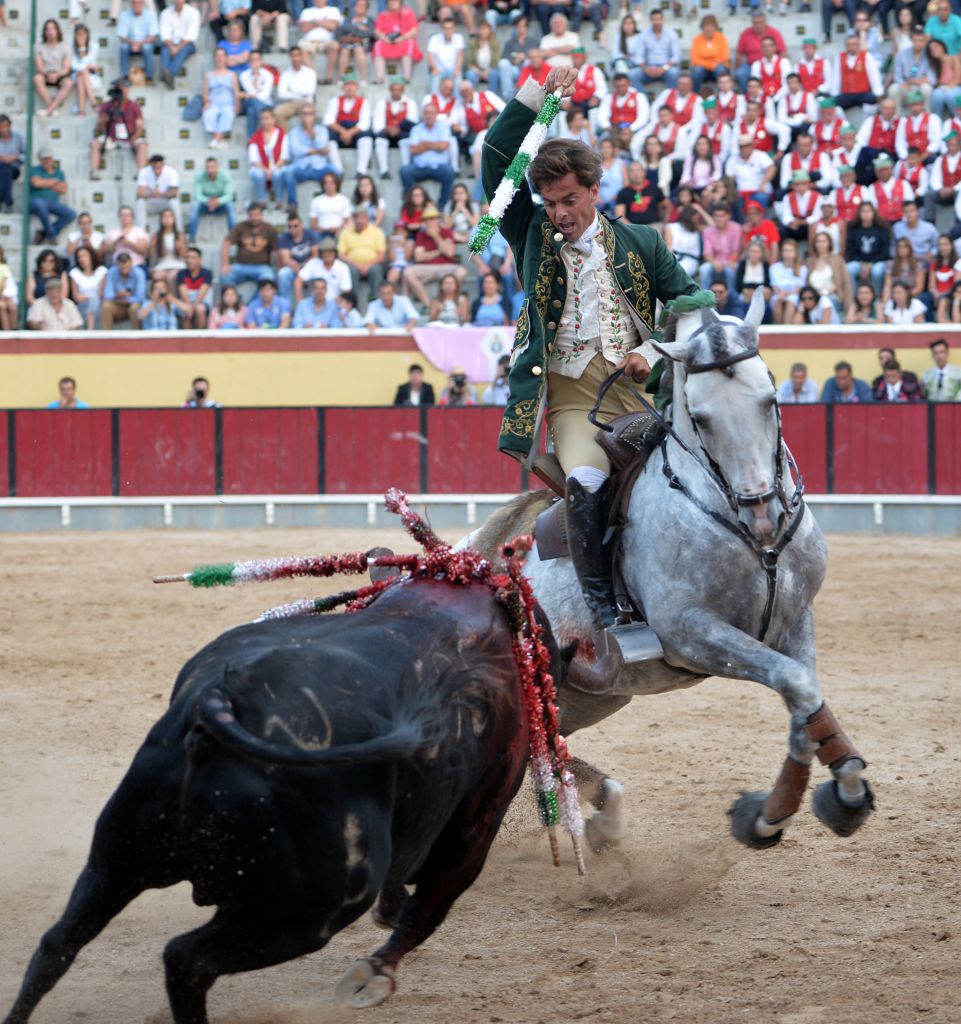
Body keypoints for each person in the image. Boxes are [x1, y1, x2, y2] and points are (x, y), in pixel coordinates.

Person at [482, 64, 704, 655]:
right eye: (550, 201)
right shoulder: (529, 234)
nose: (559, 212)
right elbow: (495, 152)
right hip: (575, 398)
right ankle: (610, 611)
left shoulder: (642, 242)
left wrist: (653, 347)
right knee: (585, 477)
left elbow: (691, 300)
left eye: (570, 199)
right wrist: (537, 94)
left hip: (638, 392)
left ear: (594, 192)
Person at [401, 207, 465, 308]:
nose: (430, 222)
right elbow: (419, 257)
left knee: (461, 272)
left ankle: (447, 303)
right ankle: (430, 306)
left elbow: (450, 253)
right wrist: (440, 251)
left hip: (446, 266)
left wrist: (436, 236)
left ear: (437, 220)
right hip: (427, 267)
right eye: (427, 220)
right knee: (407, 272)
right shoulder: (421, 234)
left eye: (432, 219)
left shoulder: (446, 231)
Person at [90, 78, 148, 179]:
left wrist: (134, 138)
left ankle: (141, 173)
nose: (122, 91)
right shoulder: (107, 106)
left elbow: (140, 126)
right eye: (120, 88)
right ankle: (94, 171)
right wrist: (103, 121)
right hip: (111, 137)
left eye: (124, 88)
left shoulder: (134, 106)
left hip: (129, 137)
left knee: (142, 145)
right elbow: (99, 128)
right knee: (95, 144)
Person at [401, 103, 456, 209]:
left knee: (449, 171)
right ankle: (415, 204)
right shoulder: (416, 129)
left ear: (436, 114)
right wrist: (434, 145)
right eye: (426, 113)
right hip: (420, 167)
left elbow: (443, 146)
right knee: (405, 171)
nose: (429, 115)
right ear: (423, 115)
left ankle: (441, 206)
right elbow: (413, 149)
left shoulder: (443, 128)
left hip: (439, 167)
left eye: (431, 112)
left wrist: (424, 144)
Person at [220, 200, 278, 291]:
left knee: (268, 279)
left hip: (262, 267)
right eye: (251, 215)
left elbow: (276, 251)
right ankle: (235, 301)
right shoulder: (240, 227)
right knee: (224, 275)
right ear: (248, 215)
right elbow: (226, 243)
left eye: (257, 215)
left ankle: (252, 304)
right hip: (241, 266)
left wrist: (276, 267)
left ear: (261, 215)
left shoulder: (269, 229)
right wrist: (225, 264)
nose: (254, 218)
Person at [337, 206, 386, 311]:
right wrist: (357, 265)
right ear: (353, 219)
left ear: (367, 218)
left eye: (362, 217)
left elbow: (382, 255)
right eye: (357, 218)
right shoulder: (345, 232)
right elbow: (341, 255)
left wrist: (368, 265)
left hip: (372, 265)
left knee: (376, 270)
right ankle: (352, 307)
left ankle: (377, 305)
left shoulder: (376, 231)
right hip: (353, 265)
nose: (360, 221)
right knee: (350, 271)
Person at [288, 104, 338, 203]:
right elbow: (295, 151)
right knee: (288, 171)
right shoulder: (294, 132)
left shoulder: (322, 130)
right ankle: (292, 202)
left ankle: (333, 199)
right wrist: (317, 151)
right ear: (300, 116)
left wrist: (313, 135)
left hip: (319, 167)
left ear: (314, 115)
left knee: (335, 170)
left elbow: (324, 148)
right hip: (301, 167)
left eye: (310, 114)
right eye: (304, 114)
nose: (307, 117)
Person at [29, 147, 76, 245]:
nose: (47, 161)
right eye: (44, 158)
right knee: (39, 205)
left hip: (52, 203)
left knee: (71, 214)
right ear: (40, 160)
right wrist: (55, 182)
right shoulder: (34, 169)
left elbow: (63, 190)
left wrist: (44, 183)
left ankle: (43, 233)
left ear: (52, 159)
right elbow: (36, 183)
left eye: (48, 158)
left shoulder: (59, 172)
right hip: (36, 201)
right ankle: (51, 236)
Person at [371, 0, 420, 85]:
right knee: (377, 45)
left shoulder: (408, 13)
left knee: (409, 44)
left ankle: (407, 77)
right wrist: (384, 38)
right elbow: (377, 31)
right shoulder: (383, 15)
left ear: (400, 3)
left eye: (395, 1)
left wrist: (402, 38)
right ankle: (380, 78)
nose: (393, 3)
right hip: (387, 41)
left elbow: (414, 30)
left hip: (403, 40)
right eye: (390, 2)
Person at [188, 157, 236, 242]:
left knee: (231, 205)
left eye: (212, 166)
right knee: (195, 205)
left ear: (217, 167)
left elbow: (229, 195)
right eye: (208, 167)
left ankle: (233, 238)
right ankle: (192, 237)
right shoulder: (199, 176)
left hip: (221, 206)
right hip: (206, 206)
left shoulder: (225, 176)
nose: (210, 169)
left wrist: (218, 201)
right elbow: (198, 195)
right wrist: (208, 201)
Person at [34, 18, 74, 117]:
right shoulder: (38, 46)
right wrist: (47, 74)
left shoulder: (65, 46)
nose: (50, 32)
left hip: (60, 74)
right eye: (47, 29)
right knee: (37, 78)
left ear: (57, 31)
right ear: (44, 32)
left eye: (53, 29)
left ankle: (49, 110)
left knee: (69, 82)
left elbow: (66, 69)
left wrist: (57, 75)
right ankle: (51, 107)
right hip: (45, 73)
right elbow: (39, 67)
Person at [202, 46, 240, 149]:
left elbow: (236, 91)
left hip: (228, 103)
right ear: (214, 58)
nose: (220, 59)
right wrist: (206, 102)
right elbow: (205, 91)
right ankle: (220, 139)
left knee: (228, 114)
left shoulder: (232, 74)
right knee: (208, 114)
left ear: (226, 58)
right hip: (213, 102)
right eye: (217, 56)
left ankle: (215, 139)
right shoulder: (209, 75)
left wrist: (237, 104)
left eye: (222, 56)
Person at [295, 236, 351, 302]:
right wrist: (300, 302)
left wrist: (333, 305)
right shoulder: (313, 263)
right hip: (314, 304)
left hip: (335, 305)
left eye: (330, 251)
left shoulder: (343, 267)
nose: (327, 254)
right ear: (320, 253)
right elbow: (298, 281)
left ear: (335, 253)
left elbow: (346, 291)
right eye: (324, 251)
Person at [135, 153, 182, 232]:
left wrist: (161, 194)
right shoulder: (144, 172)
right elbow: (140, 193)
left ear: (163, 165)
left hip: (165, 202)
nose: (156, 169)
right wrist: (150, 194)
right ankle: (141, 233)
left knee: (175, 202)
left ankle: (179, 232)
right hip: (151, 201)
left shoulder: (171, 172)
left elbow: (174, 193)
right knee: (140, 203)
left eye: (159, 167)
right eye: (154, 167)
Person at [272, 46, 317, 128]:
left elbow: (310, 91)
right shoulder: (285, 74)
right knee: (276, 113)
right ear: (290, 57)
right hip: (290, 103)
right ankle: (288, 137)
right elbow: (281, 94)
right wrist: (299, 94)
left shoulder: (310, 73)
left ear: (301, 57)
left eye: (297, 55)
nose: (295, 58)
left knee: (307, 114)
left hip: (306, 102)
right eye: (293, 55)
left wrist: (292, 90)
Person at [636, 8, 680, 91]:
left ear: (663, 19)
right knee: (632, 75)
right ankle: (643, 101)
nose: (656, 22)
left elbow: (676, 57)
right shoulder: (643, 35)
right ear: (650, 20)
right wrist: (646, 69)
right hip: (649, 68)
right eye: (654, 19)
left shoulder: (671, 34)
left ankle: (670, 101)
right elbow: (638, 57)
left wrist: (663, 68)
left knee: (674, 73)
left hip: (666, 68)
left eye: (658, 19)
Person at [159, 0, 199, 89]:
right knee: (165, 49)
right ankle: (168, 75)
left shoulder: (193, 12)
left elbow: (191, 36)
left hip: (188, 44)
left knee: (183, 50)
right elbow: (164, 35)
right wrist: (172, 46)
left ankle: (168, 74)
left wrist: (178, 47)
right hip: (170, 43)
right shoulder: (165, 13)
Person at [101, 252, 147, 328]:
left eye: (127, 267)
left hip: (133, 305)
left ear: (131, 263)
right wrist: (118, 295)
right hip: (118, 305)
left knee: (134, 307)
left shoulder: (139, 273)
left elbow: (140, 297)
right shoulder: (112, 272)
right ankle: (106, 337)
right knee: (106, 306)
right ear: (117, 265)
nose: (124, 270)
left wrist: (127, 299)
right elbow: (107, 295)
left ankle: (135, 337)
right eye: (122, 268)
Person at [117, 0, 159, 83]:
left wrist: (139, 43)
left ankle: (149, 77)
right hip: (131, 44)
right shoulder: (124, 15)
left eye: (139, 2)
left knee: (147, 48)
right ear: (130, 4)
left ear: (143, 3)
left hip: (145, 43)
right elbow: (122, 37)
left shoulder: (151, 14)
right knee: (123, 47)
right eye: (134, 2)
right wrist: (133, 43)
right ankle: (125, 76)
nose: (136, 5)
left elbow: (153, 37)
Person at [238, 49, 275, 138]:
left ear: (261, 61)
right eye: (252, 60)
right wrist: (255, 78)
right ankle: (269, 131)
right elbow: (250, 92)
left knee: (251, 110)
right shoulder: (243, 75)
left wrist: (248, 94)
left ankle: (251, 141)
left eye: (257, 59)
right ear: (249, 62)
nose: (255, 62)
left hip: (266, 104)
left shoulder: (268, 75)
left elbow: (265, 95)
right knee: (253, 102)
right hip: (250, 102)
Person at [69, 244, 106, 329]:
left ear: (91, 256)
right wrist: (91, 298)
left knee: (95, 302)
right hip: (82, 306)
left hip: (98, 305)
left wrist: (88, 297)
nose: (81, 259)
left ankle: (90, 330)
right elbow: (76, 297)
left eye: (84, 255)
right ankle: (90, 331)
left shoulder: (101, 271)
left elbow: (100, 295)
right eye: (79, 257)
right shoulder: (75, 273)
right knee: (93, 300)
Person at [689, 14, 730, 93]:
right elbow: (695, 60)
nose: (709, 28)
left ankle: (722, 97)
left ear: (715, 27)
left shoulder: (722, 38)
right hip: (702, 69)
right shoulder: (696, 40)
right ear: (702, 28)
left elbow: (725, 57)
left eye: (711, 26)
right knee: (697, 71)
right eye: (706, 26)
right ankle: (694, 97)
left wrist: (712, 63)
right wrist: (711, 64)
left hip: (718, 67)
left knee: (720, 70)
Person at [175, 246, 212, 328]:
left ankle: (201, 337)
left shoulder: (207, 273)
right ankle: (186, 338)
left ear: (200, 260)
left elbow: (201, 295)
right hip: (187, 302)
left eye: (193, 258)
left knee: (200, 309)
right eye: (187, 258)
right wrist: (189, 307)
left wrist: (192, 307)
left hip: (202, 303)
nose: (189, 260)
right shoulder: (181, 274)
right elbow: (183, 294)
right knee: (185, 309)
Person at [0, 115, 24, 213]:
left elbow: (26, 155)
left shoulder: (18, 137)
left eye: (4, 126)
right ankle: (8, 201)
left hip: (14, 169)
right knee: (4, 168)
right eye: (0, 127)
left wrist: (15, 157)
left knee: (6, 168)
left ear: (9, 126)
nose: (2, 129)